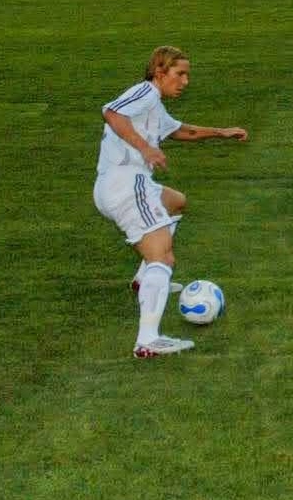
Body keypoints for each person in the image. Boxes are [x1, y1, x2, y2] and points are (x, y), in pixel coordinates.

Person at [91, 45, 248, 358]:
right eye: (179, 74)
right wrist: (145, 149)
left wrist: (222, 132)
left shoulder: (155, 108)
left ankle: (141, 280)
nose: (185, 81)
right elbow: (111, 112)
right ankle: (148, 339)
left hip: (118, 185)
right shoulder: (145, 92)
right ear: (159, 72)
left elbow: (183, 131)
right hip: (126, 183)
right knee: (163, 257)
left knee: (175, 201)